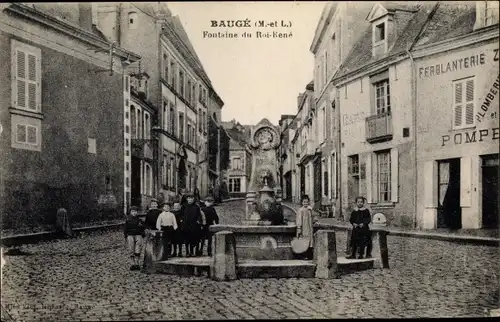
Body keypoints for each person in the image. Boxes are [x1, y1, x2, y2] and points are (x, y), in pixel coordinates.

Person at [142, 199, 162, 272]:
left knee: (158, 246)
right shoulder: (149, 213)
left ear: (157, 205)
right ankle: (149, 263)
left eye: (155, 204)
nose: (153, 205)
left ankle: (158, 262)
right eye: (152, 204)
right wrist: (147, 228)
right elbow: (146, 222)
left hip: (158, 230)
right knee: (149, 247)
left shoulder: (160, 212)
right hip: (151, 231)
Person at [181, 192, 203, 257]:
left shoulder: (196, 207)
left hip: (193, 225)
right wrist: (182, 220)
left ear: (193, 199)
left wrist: (198, 221)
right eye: (189, 198)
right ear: (187, 199)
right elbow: (181, 214)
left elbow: (199, 215)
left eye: (191, 198)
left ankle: (192, 252)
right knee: (187, 239)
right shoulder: (184, 206)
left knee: (192, 239)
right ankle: (187, 252)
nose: (190, 200)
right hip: (186, 225)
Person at [124, 206, 145, 270]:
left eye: (135, 211)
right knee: (131, 249)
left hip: (138, 235)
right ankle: (132, 264)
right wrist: (125, 235)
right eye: (132, 211)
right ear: (130, 212)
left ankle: (137, 263)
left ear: (137, 212)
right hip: (130, 235)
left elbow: (143, 228)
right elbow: (125, 228)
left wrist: (142, 232)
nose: (134, 213)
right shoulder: (127, 220)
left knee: (138, 248)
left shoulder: (139, 220)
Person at [296, 195, 314, 260]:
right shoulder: (301, 210)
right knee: (303, 241)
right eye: (304, 202)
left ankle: (310, 255)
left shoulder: (309, 210)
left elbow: (311, 218)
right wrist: (299, 228)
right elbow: (299, 219)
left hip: (309, 228)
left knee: (310, 241)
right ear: (302, 203)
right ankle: (303, 255)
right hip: (303, 228)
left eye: (307, 202)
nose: (305, 203)